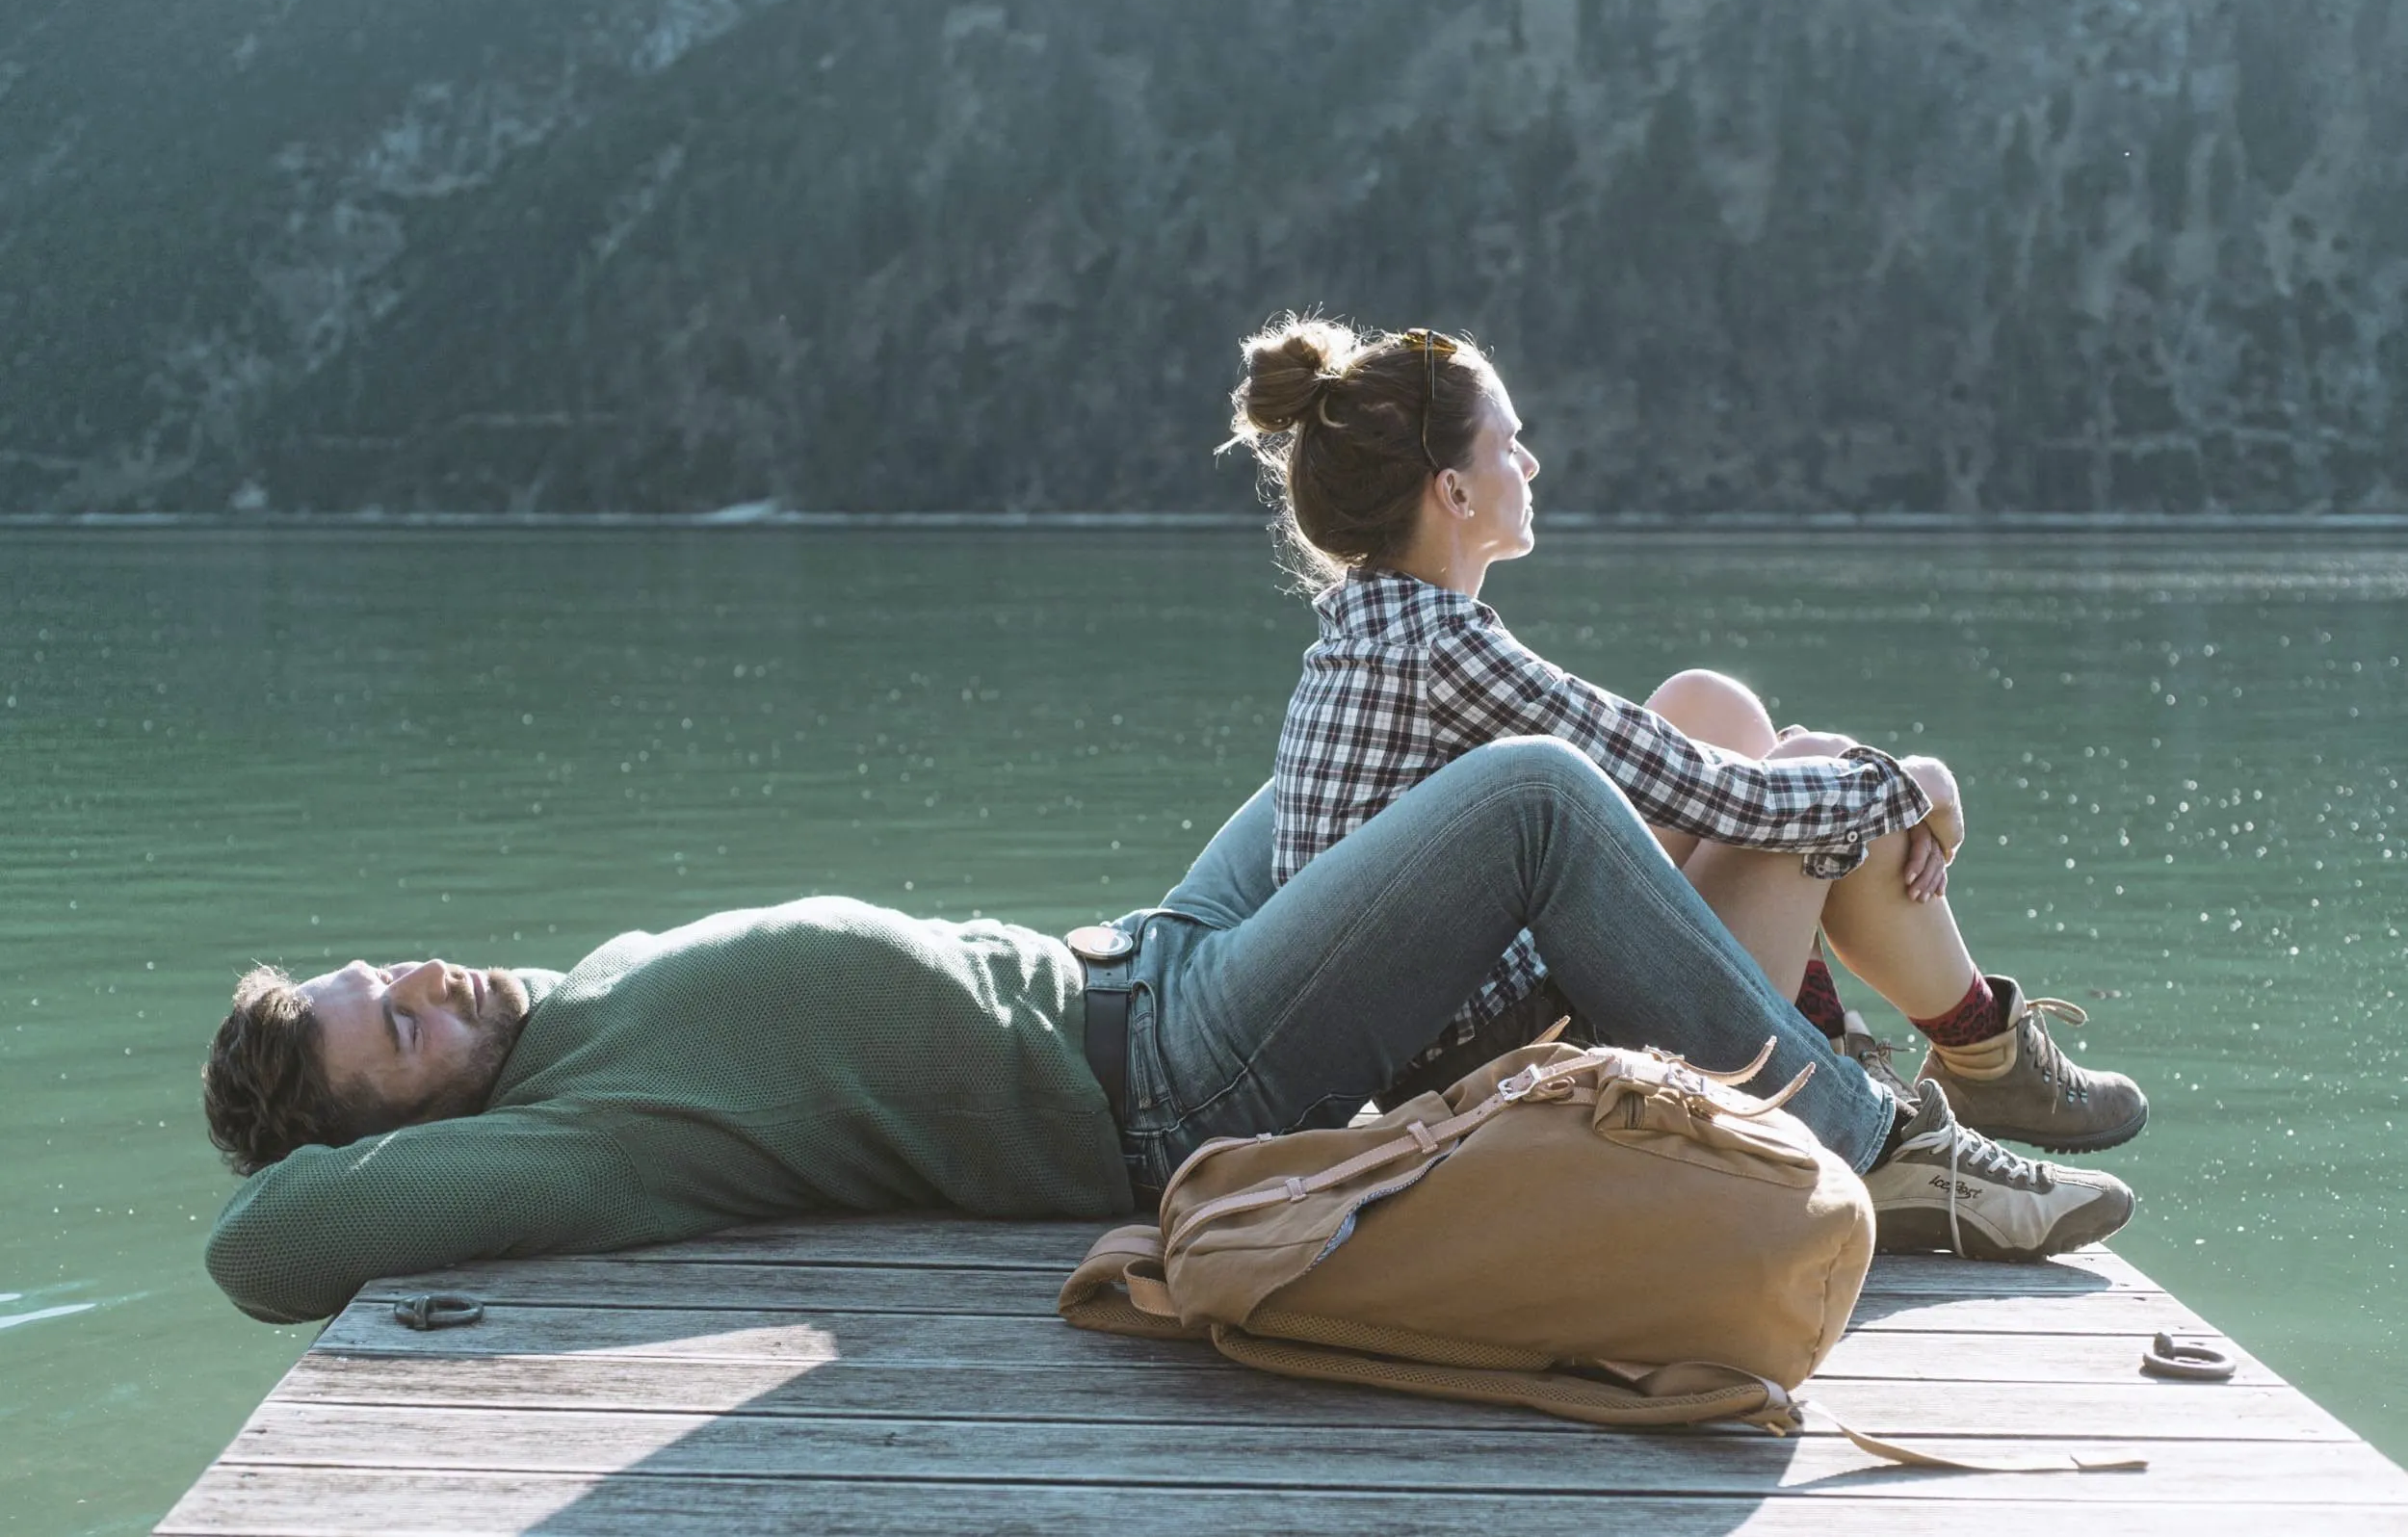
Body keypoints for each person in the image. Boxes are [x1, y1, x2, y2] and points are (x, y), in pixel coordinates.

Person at [199, 741, 2132, 1325]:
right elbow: (258, 1247)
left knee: (1491, 726)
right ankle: (1890, 1144)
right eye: (399, 1036)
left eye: (392, 972)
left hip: (1146, 948)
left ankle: (1855, 975)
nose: (430, 985)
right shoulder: (576, 1129)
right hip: (1161, 1075)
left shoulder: (575, 993)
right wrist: (350, 1153)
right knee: (1537, 793)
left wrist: (389, 1062)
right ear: (398, 1124)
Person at [1225, 314, 2146, 1154]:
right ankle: (1975, 1047)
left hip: (1473, 1016)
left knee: (1712, 707)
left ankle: (1872, 1041)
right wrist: (1916, 785)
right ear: (1455, 491)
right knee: (1817, 779)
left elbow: (1673, 761)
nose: (1534, 466)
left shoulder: (1374, 625)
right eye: (1511, 444)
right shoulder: (1444, 648)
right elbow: (1727, 800)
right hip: (1502, 1080)